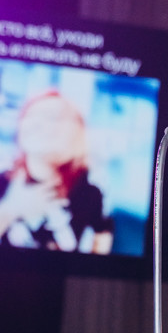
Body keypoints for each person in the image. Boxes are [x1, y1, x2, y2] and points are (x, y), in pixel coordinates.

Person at [0, 89, 114, 253]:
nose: (38, 123)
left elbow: (102, 246)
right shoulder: (3, 182)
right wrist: (11, 209)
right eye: (31, 115)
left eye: (54, 117)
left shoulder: (91, 193)